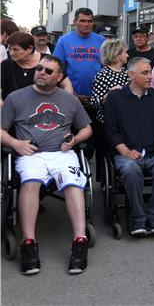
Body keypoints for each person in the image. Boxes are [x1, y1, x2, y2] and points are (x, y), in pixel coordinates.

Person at [1, 55, 93, 275]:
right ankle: (29, 243)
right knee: (30, 183)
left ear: (59, 77)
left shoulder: (69, 100)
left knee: (73, 183)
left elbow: (87, 128)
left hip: (62, 154)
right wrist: (15, 143)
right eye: (40, 68)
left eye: (48, 71)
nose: (41, 72)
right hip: (31, 155)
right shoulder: (16, 98)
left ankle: (80, 241)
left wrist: (75, 140)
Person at [104, 57, 154, 236]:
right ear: (131, 75)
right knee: (130, 170)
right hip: (126, 152)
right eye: (145, 73)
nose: (150, 76)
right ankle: (138, 219)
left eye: (150, 72)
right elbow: (110, 130)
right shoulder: (116, 98)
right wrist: (125, 151)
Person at [53, 8, 105, 108]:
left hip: (98, 97)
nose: (86, 24)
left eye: (90, 21)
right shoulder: (64, 41)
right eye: (82, 21)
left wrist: (101, 93)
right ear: (74, 22)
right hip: (72, 96)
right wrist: (71, 93)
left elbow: (107, 67)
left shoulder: (101, 40)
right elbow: (57, 69)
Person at [1, 32, 73, 102]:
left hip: (46, 110)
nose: (11, 53)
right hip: (14, 111)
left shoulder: (48, 61)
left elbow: (67, 84)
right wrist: (6, 108)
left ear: (30, 48)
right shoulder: (5, 65)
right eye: (10, 49)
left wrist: (65, 104)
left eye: (15, 49)